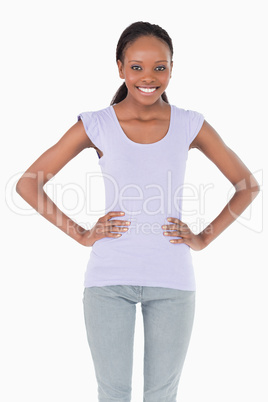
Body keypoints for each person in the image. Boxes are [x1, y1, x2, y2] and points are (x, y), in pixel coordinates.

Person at [16, 21, 260, 402]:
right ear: (119, 68)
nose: (149, 77)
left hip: (173, 281)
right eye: (137, 67)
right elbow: (28, 183)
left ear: (172, 69)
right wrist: (81, 234)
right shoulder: (96, 124)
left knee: (162, 395)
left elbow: (247, 185)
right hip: (109, 281)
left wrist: (203, 238)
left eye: (159, 67)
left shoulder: (189, 124)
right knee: (113, 393)